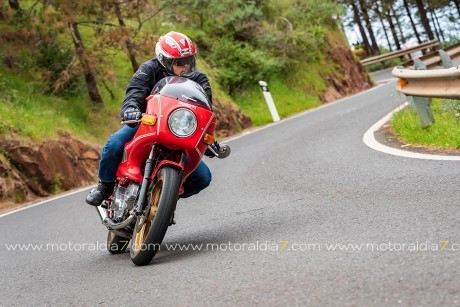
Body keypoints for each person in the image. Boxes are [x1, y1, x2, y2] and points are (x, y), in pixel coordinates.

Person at [86, 31, 215, 206]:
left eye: (189, 61)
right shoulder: (149, 69)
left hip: (181, 131)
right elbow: (134, 92)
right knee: (115, 143)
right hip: (147, 123)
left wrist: (206, 137)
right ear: (165, 61)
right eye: (179, 63)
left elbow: (205, 111)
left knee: (203, 177)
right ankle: (105, 186)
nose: (185, 67)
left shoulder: (199, 79)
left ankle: (163, 199)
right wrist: (131, 109)